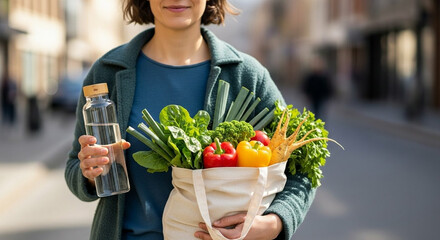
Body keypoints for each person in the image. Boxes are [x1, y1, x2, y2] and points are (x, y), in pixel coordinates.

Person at [65, 1, 315, 240]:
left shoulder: (247, 75)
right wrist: (90, 172)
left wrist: (274, 223)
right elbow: (74, 168)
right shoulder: (108, 71)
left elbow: (303, 168)